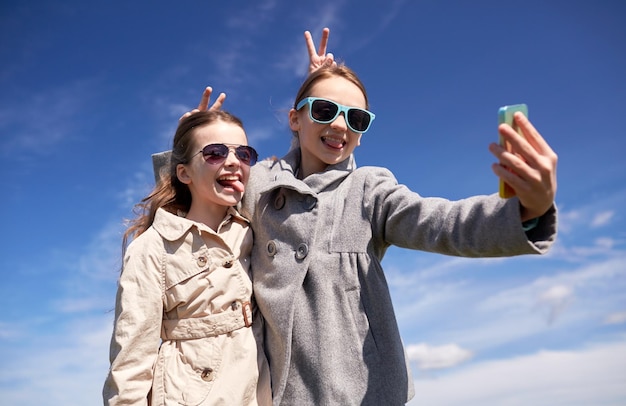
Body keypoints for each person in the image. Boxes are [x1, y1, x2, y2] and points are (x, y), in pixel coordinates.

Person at [156, 29, 558, 405]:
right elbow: (195, 199)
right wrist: (188, 146)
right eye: (326, 109)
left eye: (356, 118)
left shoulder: (370, 190)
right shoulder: (259, 184)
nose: (339, 125)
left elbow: (441, 223)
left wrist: (527, 209)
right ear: (295, 119)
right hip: (278, 391)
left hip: (364, 389)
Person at [104, 110, 271, 405]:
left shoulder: (253, 226)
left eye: (244, 153)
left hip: (256, 392)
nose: (233, 161)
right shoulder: (152, 248)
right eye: (215, 153)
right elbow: (130, 365)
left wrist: (316, 111)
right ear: (183, 173)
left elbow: (308, 180)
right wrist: (187, 137)